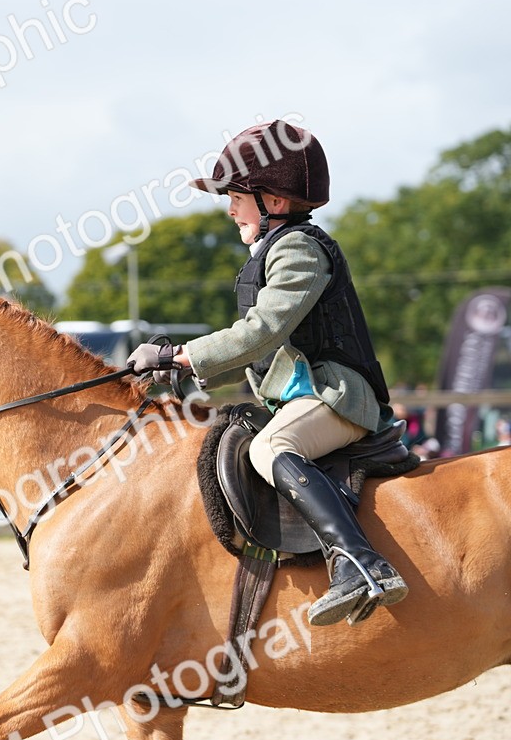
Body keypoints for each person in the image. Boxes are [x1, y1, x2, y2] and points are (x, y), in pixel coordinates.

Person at [127, 120, 407, 627]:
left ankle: (360, 564)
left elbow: (261, 332)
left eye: (237, 197)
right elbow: (259, 356)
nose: (230, 209)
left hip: (338, 397)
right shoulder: (270, 253)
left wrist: (178, 355)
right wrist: (180, 370)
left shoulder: (299, 249)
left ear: (274, 201)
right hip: (306, 398)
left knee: (270, 447)